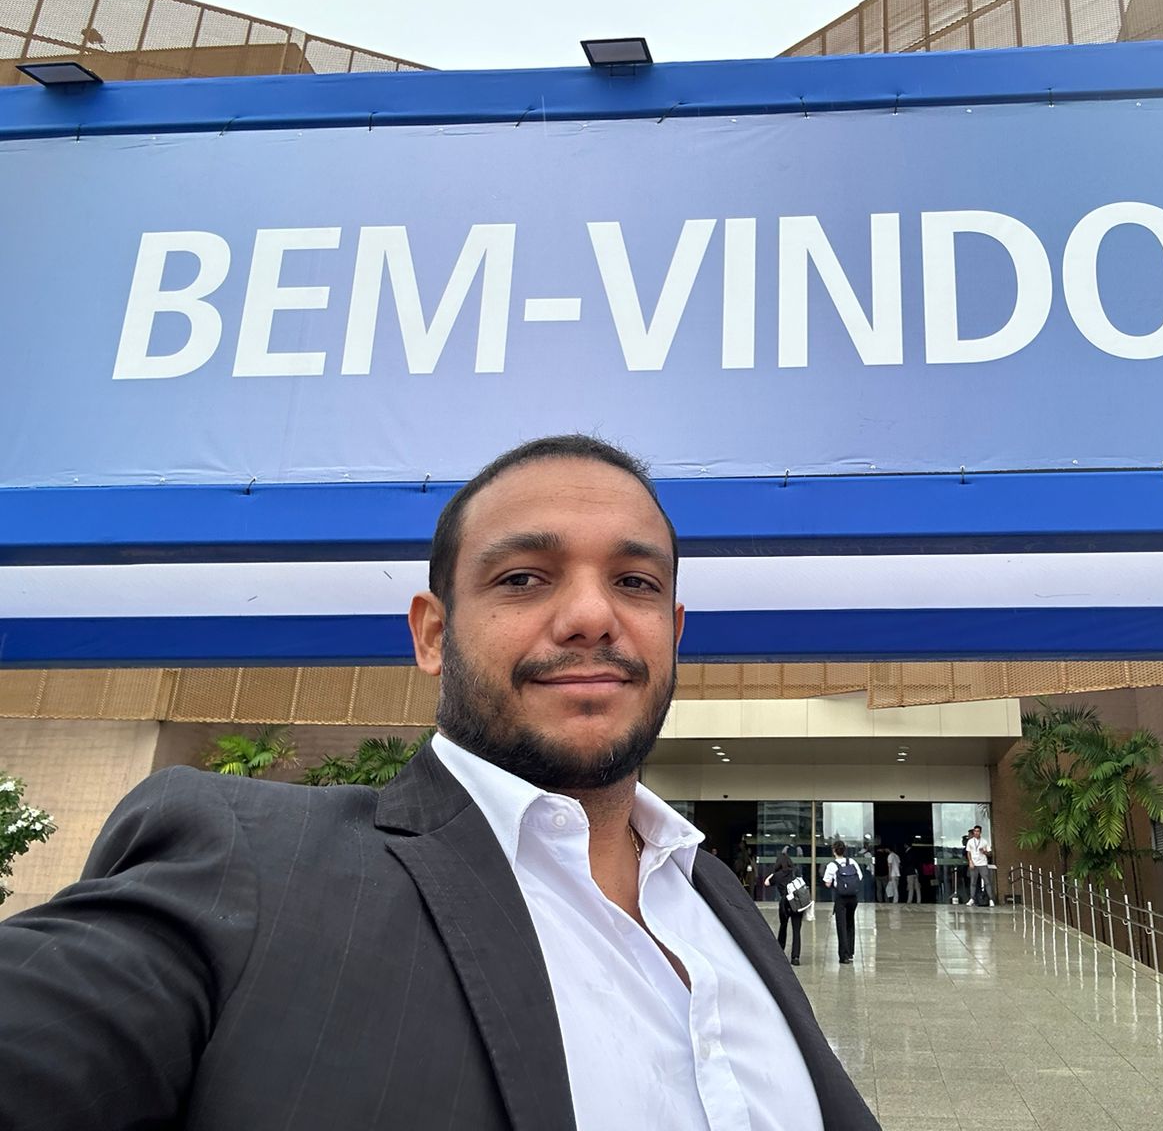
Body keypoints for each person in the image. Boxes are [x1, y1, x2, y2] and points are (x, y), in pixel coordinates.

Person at [0, 434, 876, 1131]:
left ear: (673, 632)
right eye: (523, 578)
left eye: (634, 582)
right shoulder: (243, 865)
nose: (590, 616)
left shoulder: (716, 896)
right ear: (431, 635)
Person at [822, 839, 863, 963]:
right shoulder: (852, 862)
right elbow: (860, 877)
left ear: (834, 851)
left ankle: (843, 955)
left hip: (841, 898)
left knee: (841, 926)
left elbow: (827, 883)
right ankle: (850, 952)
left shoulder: (832, 865)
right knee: (850, 924)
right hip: (853, 898)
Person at [765, 850, 805, 965]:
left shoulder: (778, 875)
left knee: (783, 926)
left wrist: (773, 873)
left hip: (785, 903)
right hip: (797, 902)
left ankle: (780, 952)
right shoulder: (796, 871)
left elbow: (766, 883)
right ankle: (795, 957)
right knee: (796, 930)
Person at [966, 825, 993, 906]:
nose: (976, 833)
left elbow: (990, 854)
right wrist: (970, 861)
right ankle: (972, 899)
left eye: (977, 831)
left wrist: (984, 852)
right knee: (973, 882)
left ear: (980, 832)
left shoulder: (984, 841)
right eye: (975, 831)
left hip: (983, 863)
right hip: (974, 863)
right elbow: (968, 852)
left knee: (987, 881)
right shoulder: (970, 841)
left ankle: (991, 899)